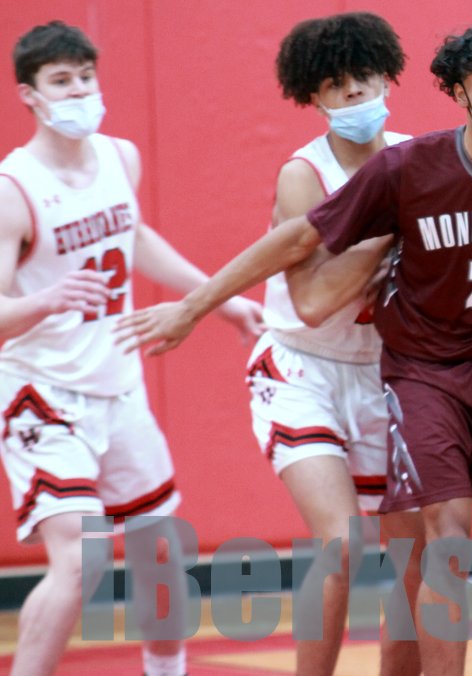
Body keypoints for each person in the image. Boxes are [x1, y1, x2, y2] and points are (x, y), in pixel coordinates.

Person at [115, 23, 472, 676]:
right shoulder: (372, 171)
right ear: (459, 92)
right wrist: (195, 305)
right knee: (387, 542)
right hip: (372, 368)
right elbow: (306, 283)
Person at [0, 21, 262, 676]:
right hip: (40, 392)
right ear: (30, 95)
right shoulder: (13, 189)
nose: (79, 91)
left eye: (85, 77)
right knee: (83, 555)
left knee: (160, 550)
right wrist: (45, 299)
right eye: (62, 81)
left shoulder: (120, 157)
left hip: (118, 384)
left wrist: (220, 301)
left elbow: (135, 238)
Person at [248, 13, 424, 675]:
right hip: (304, 367)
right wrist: (389, 235)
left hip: (386, 371)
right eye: (334, 83)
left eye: (363, 76)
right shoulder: (304, 175)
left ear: (388, 77)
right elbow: (315, 301)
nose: (353, 91)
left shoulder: (421, 159)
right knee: (342, 543)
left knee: (416, 553)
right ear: (313, 96)